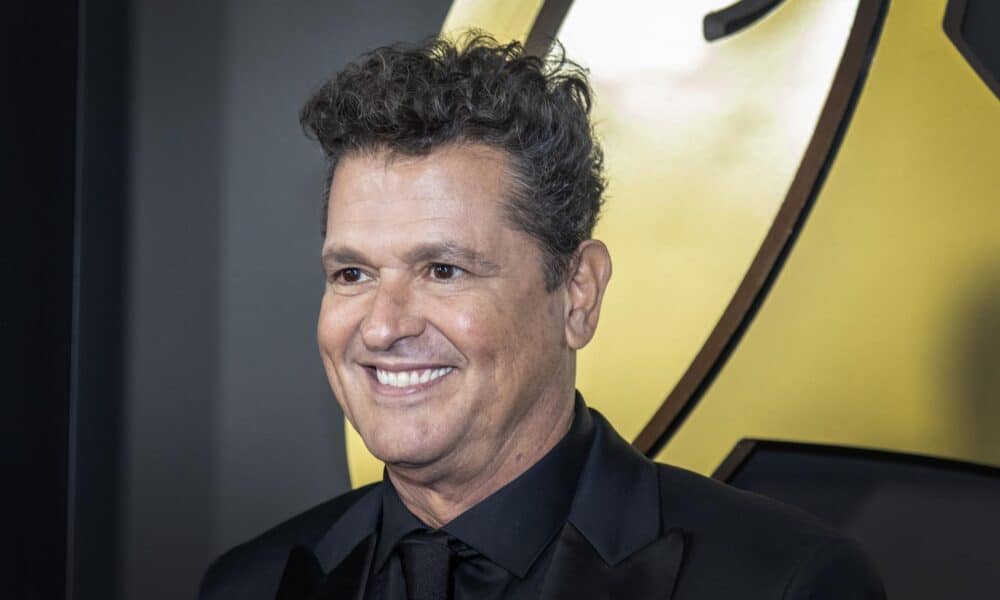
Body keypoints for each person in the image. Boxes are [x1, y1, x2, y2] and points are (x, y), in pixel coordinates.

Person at [199, 34, 884, 600]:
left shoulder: (783, 584)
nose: (381, 328)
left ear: (578, 293)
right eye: (353, 274)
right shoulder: (250, 586)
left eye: (443, 270)